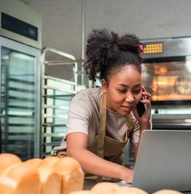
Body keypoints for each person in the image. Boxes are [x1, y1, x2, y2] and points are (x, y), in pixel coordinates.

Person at [54, 29, 152, 183]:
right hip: (70, 179)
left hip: (108, 182)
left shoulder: (136, 114)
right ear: (105, 85)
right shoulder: (84, 102)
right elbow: (76, 152)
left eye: (136, 90)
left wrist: (144, 124)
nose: (130, 98)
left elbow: (144, 164)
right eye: (122, 90)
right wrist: (124, 173)